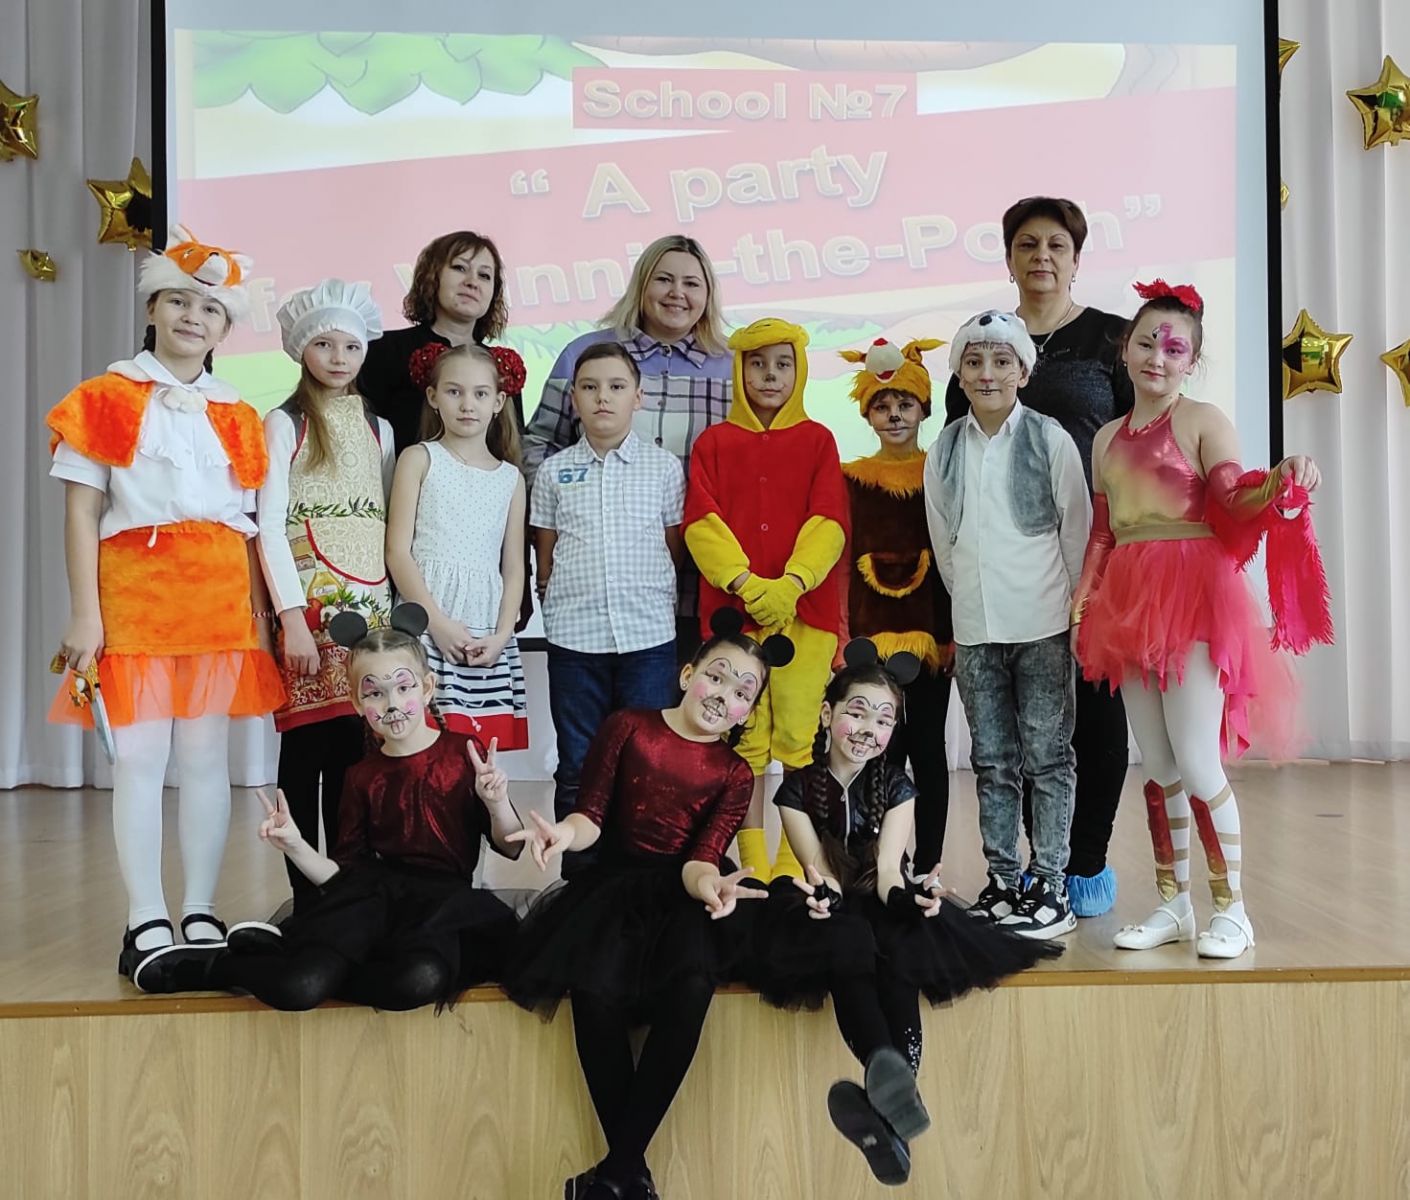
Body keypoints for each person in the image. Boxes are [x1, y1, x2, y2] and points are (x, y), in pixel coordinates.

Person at [47, 225, 285, 975]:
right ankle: (145, 914)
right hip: (135, 598)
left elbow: (249, 529)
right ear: (152, 307)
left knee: (207, 758)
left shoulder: (238, 413)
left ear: (225, 328)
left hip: (217, 601)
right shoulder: (104, 397)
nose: (193, 316)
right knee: (141, 759)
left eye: (210, 309)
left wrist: (260, 619)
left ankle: (201, 907)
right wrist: (85, 613)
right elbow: (81, 512)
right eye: (178, 301)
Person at [1072, 280, 1331, 959]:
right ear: (1124, 350)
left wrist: (1277, 480)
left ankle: (1232, 909)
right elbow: (1103, 531)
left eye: (1174, 348)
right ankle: (1174, 904)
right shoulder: (1106, 438)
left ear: (1191, 360)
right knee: (1157, 763)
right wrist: (1084, 603)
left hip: (1191, 596)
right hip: (1128, 602)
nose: (1157, 357)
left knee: (1194, 757)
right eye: (1146, 343)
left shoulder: (1202, 421)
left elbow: (1231, 498)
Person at [504, 610, 791, 1200]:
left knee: (692, 985)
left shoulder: (736, 774)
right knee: (594, 989)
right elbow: (590, 816)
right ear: (687, 674)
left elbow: (702, 857)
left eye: (743, 692)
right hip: (612, 886)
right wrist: (563, 834)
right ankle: (628, 1175)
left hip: (681, 893)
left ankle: (615, 1175)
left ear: (748, 712)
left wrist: (710, 885)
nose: (725, 695)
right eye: (717, 676)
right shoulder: (628, 726)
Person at [751, 643, 1061, 1185]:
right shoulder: (796, 791)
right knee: (848, 944)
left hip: (880, 894)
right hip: (831, 903)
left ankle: (887, 1108)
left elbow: (889, 871)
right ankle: (893, 1097)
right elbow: (820, 868)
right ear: (826, 714)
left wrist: (907, 898)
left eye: (884, 719)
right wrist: (824, 898)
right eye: (857, 713)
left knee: (899, 951)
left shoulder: (896, 786)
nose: (868, 729)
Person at [130, 606, 524, 1008]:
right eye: (374, 692)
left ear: (427, 687)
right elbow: (343, 877)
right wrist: (296, 844)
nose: (392, 703)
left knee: (419, 980)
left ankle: (281, 954)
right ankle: (217, 967)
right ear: (356, 702)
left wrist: (495, 804)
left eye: (403, 687)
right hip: (372, 903)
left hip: (445, 910)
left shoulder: (464, 754)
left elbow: (512, 846)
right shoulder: (361, 775)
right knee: (300, 988)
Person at [943, 196, 1134, 916]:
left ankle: (1083, 866)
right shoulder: (980, 345)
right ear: (1009, 258)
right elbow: (955, 474)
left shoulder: (1112, 339)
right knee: (1018, 734)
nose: (1042, 256)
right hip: (1006, 577)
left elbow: (1142, 431)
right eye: (1027, 244)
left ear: (1077, 258)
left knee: (1095, 719)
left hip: (1100, 553)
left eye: (1057, 244)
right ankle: (1030, 869)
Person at [924, 310, 1091, 940]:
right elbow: (945, 541)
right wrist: (971, 602)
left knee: (1047, 756)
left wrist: (1072, 613)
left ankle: (1050, 881)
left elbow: (1075, 531)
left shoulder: (1049, 439)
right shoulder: (944, 449)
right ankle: (1003, 879)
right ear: (960, 375)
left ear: (1023, 371)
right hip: (976, 629)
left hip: (1042, 622)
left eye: (1001, 361)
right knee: (992, 760)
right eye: (973, 362)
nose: (987, 373)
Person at [684, 318, 850, 885]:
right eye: (757, 363)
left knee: (800, 737)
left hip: (806, 616)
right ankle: (752, 856)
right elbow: (701, 521)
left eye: (782, 364)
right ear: (739, 369)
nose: (770, 375)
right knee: (744, 738)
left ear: (799, 370)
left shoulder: (819, 440)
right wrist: (747, 584)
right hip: (736, 618)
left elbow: (829, 521)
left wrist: (792, 584)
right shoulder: (712, 443)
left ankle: (795, 859)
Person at [522, 233, 732, 660]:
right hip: (599, 587)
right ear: (641, 285)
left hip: (707, 573)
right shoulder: (585, 355)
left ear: (708, 294)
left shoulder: (733, 366)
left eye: (692, 283)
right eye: (664, 280)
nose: (677, 293)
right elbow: (540, 443)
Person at [257, 278, 394, 902]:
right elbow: (268, 526)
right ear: (300, 349)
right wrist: (290, 617)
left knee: (353, 752)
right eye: (324, 344)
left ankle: (345, 887)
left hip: (370, 610)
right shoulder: (283, 424)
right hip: (309, 611)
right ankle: (305, 894)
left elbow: (386, 519)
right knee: (305, 747)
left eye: (352, 346)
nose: (339, 358)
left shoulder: (380, 428)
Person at [531, 342, 686, 834]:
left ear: (637, 397)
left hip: (648, 640)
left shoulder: (663, 467)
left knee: (648, 760)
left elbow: (674, 545)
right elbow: (545, 552)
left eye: (616, 386)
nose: (603, 397)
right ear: (573, 398)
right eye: (590, 387)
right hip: (574, 641)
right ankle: (581, 869)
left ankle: (642, 865)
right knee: (579, 761)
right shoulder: (553, 471)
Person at [838, 336, 955, 868]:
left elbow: (954, 558)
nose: (894, 414)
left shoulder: (940, 474)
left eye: (905, 403)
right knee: (879, 749)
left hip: (929, 637)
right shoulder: (851, 479)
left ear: (924, 409)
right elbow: (843, 560)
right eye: (882, 405)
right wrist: (844, 635)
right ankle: (884, 862)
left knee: (928, 749)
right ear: (867, 413)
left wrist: (952, 635)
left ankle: (927, 863)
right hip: (871, 638)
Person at [385, 345, 529, 748]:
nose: (467, 404)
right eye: (454, 392)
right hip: (426, 615)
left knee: (479, 750)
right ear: (433, 396)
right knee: (418, 739)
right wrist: (436, 622)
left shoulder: (510, 479)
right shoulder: (419, 459)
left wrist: (502, 635)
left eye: (480, 393)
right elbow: (398, 551)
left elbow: (513, 566)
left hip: (485, 627)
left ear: (498, 402)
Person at [357, 230, 525, 456]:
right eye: (460, 268)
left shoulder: (502, 365)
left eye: (484, 275)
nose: (472, 282)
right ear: (433, 276)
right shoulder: (384, 350)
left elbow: (512, 447)